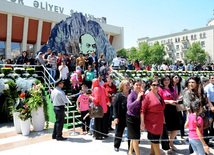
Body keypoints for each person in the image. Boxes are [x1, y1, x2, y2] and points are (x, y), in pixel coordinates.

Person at [183, 75, 214, 153]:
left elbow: (206, 101)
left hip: (203, 117)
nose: (190, 84)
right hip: (193, 118)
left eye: (193, 82)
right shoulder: (188, 93)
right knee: (194, 138)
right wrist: (196, 118)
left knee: (204, 137)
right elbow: (188, 107)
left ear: (198, 83)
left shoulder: (202, 91)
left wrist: (209, 109)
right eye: (189, 82)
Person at [141, 79, 165, 155]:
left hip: (159, 120)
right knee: (155, 140)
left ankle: (152, 153)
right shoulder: (147, 96)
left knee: (154, 139)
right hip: (151, 121)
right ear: (150, 86)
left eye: (157, 85)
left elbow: (162, 108)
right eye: (154, 85)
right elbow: (142, 110)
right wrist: (142, 123)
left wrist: (163, 119)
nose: (156, 86)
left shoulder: (159, 95)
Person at [158, 75, 180, 153]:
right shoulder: (160, 89)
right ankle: (166, 147)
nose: (167, 81)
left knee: (176, 128)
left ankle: (170, 143)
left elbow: (175, 97)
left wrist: (177, 102)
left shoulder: (172, 88)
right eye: (165, 80)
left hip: (173, 109)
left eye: (168, 79)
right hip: (164, 110)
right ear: (162, 81)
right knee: (165, 129)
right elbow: (159, 100)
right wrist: (169, 101)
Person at [126, 79, 144, 155]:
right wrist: (137, 99)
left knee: (134, 138)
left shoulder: (141, 94)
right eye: (137, 85)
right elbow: (129, 107)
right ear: (133, 85)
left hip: (137, 118)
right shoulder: (131, 95)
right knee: (135, 139)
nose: (138, 86)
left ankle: (130, 152)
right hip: (131, 118)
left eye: (140, 85)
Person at [113, 80, 130, 152]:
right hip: (121, 117)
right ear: (122, 86)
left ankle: (131, 147)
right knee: (119, 132)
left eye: (128, 85)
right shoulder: (118, 95)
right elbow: (115, 107)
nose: (128, 86)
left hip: (129, 117)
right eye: (126, 85)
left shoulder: (131, 94)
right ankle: (116, 145)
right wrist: (116, 117)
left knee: (130, 133)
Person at [204, 74, 214, 140]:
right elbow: (207, 97)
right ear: (210, 80)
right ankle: (209, 135)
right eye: (212, 78)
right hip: (211, 104)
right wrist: (211, 106)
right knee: (210, 120)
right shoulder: (208, 87)